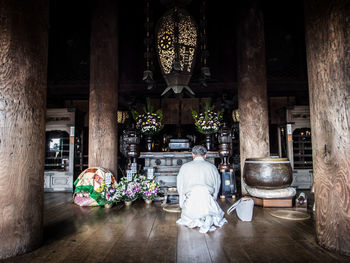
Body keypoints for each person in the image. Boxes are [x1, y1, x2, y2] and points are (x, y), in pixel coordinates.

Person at [176, 145, 227, 233]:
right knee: (214, 213)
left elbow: (180, 186)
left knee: (187, 217)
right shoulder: (212, 167)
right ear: (205, 155)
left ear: (193, 155)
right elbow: (217, 185)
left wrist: (182, 202)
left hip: (191, 202)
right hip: (207, 200)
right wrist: (213, 198)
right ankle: (208, 216)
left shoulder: (185, 167)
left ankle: (201, 217)